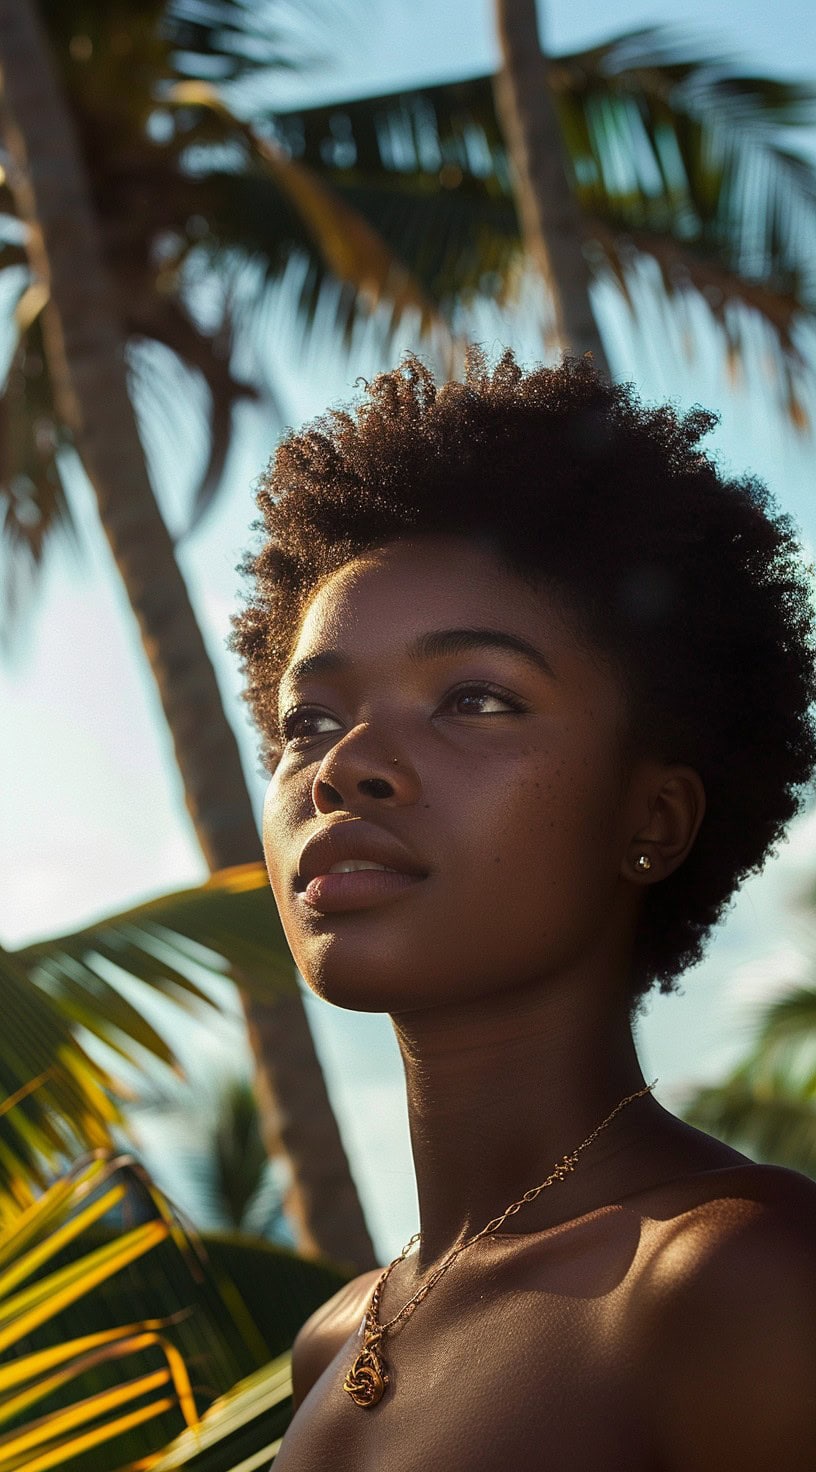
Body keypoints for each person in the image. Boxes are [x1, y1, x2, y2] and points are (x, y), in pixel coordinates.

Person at [232, 349, 816, 1470]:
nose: (344, 766)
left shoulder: (736, 1286)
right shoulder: (332, 1342)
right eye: (308, 718)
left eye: (474, 698)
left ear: (653, 816)